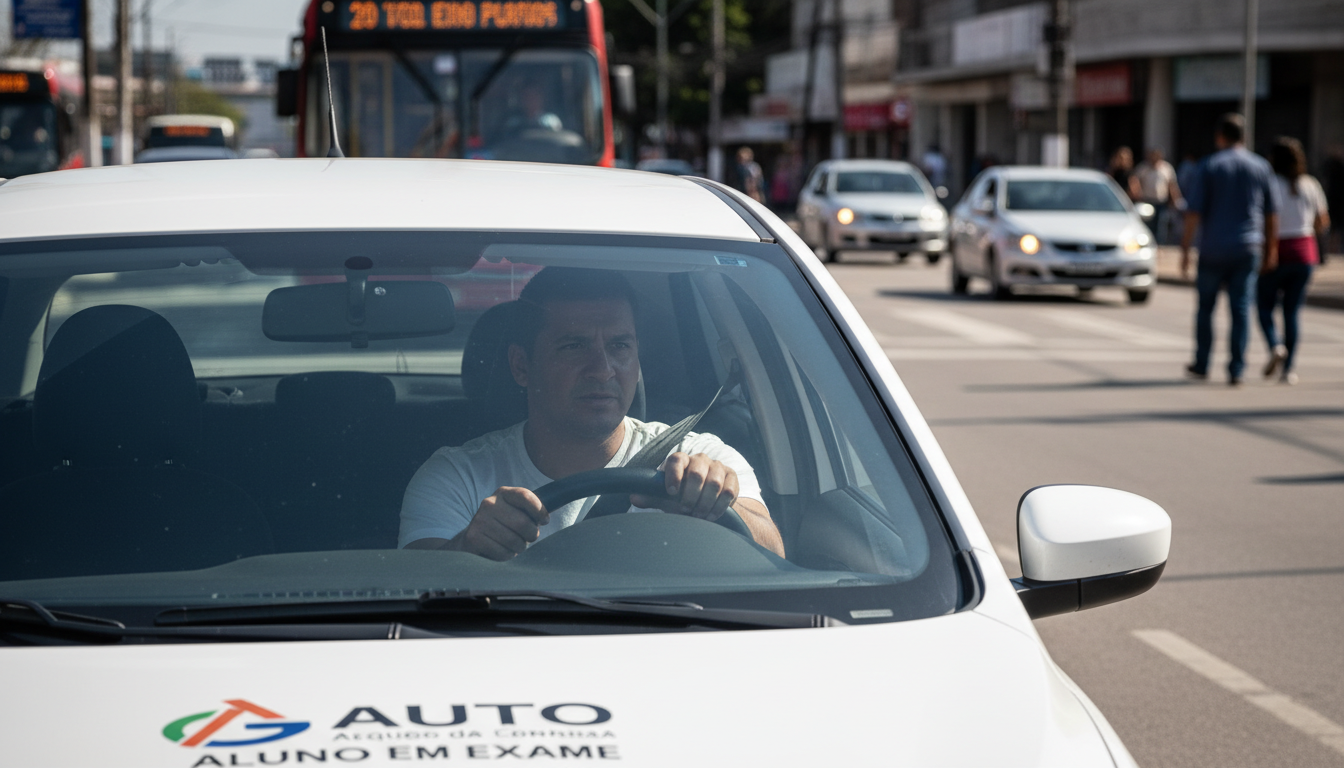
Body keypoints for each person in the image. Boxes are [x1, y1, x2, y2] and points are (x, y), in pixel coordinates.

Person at [398, 267, 785, 560]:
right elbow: (413, 593)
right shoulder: (459, 478)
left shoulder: (698, 459)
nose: (602, 369)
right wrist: (466, 548)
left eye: (620, 346)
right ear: (521, 365)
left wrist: (717, 506)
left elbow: (774, 556)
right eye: (573, 346)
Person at [1180, 113, 1280, 386]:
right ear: (1243, 137)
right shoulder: (1260, 167)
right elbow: (1272, 214)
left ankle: (1202, 362)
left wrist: (1186, 249)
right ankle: (1236, 368)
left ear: (1220, 137)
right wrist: (1271, 249)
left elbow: (1193, 212)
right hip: (1247, 248)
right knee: (1241, 309)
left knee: (1206, 308)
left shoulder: (1209, 166)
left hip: (1213, 249)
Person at [1258, 137, 1329, 385]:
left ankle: (1275, 345)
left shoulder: (1271, 184)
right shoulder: (1310, 185)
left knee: (1264, 306)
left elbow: (1265, 221)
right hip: (1304, 251)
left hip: (1276, 249)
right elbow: (1323, 221)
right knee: (1292, 312)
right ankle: (1288, 369)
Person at [1135, 147, 1185, 244]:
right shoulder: (1143, 168)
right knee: (1148, 224)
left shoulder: (1167, 168)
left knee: (1161, 225)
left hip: (1161, 202)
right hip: (1147, 200)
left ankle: (1160, 245)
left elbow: (1172, 185)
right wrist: (1138, 195)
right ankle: (1149, 243)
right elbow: (1135, 182)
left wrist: (1176, 199)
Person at [1323, 144, 1344, 261]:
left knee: (1335, 227)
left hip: (1336, 200)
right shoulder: (1333, 166)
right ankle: (1332, 247)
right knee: (1334, 226)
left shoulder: (1335, 167)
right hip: (1335, 200)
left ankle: (1333, 247)